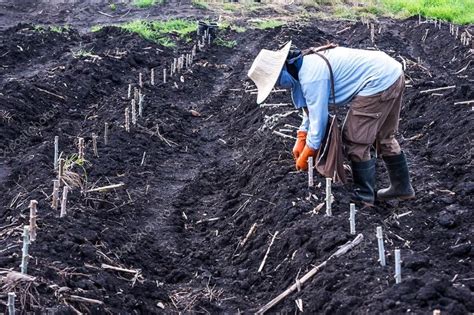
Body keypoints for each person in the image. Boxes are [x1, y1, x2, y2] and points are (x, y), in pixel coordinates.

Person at [247, 41, 415, 205]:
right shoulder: (304, 63)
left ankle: (365, 196)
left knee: (355, 140)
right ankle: (402, 188)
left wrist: (308, 152)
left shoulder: (311, 77)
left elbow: (319, 119)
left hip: (377, 82)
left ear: (282, 70)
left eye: (277, 82)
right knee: (384, 136)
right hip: (391, 72)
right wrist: (301, 135)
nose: (279, 86)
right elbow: (310, 108)